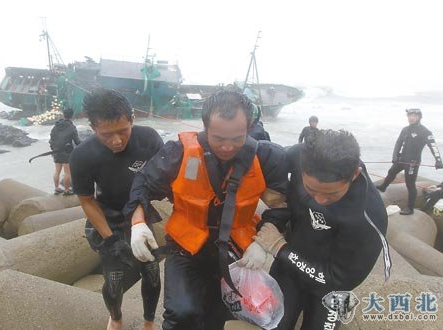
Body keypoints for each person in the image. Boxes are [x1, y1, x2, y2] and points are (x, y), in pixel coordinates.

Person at [123, 90, 288, 330]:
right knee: (181, 312)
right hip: (185, 245)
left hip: (235, 249)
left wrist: (262, 242)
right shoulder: (178, 152)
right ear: (205, 128)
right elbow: (144, 184)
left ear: (249, 128)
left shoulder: (267, 157)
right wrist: (137, 224)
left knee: (215, 317)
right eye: (218, 138)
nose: (228, 146)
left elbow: (280, 206)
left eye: (237, 138)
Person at [253, 129, 391, 329]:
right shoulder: (301, 155)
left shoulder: (370, 215)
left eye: (332, 194)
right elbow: (262, 154)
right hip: (288, 272)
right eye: (311, 189)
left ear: (355, 174)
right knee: (272, 326)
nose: (320, 200)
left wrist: (278, 247)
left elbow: (339, 280)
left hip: (331, 289)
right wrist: (274, 203)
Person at [69, 89, 163, 330]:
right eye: (106, 134)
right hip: (108, 216)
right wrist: (110, 240)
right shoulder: (82, 155)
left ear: (132, 118)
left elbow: (164, 180)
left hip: (140, 214)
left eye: (123, 130)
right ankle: (116, 317)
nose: (117, 140)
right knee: (114, 281)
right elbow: (87, 200)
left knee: (152, 273)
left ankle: (149, 321)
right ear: (92, 127)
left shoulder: (149, 139)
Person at [376, 108, 443, 215]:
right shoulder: (405, 129)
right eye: (409, 116)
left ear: (419, 117)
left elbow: (433, 146)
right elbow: (398, 143)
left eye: (414, 116)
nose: (411, 118)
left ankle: (410, 208)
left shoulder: (425, 132)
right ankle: (383, 186)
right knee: (391, 171)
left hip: (413, 162)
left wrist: (438, 160)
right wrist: (394, 156)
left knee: (410, 184)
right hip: (402, 159)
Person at [49, 108, 81, 195]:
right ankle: (66, 190)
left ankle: (56, 189)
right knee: (67, 172)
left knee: (57, 171)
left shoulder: (56, 126)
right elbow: (77, 141)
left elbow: (51, 139)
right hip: (67, 152)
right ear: (72, 116)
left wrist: (53, 148)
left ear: (63, 114)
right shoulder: (71, 127)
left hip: (56, 151)